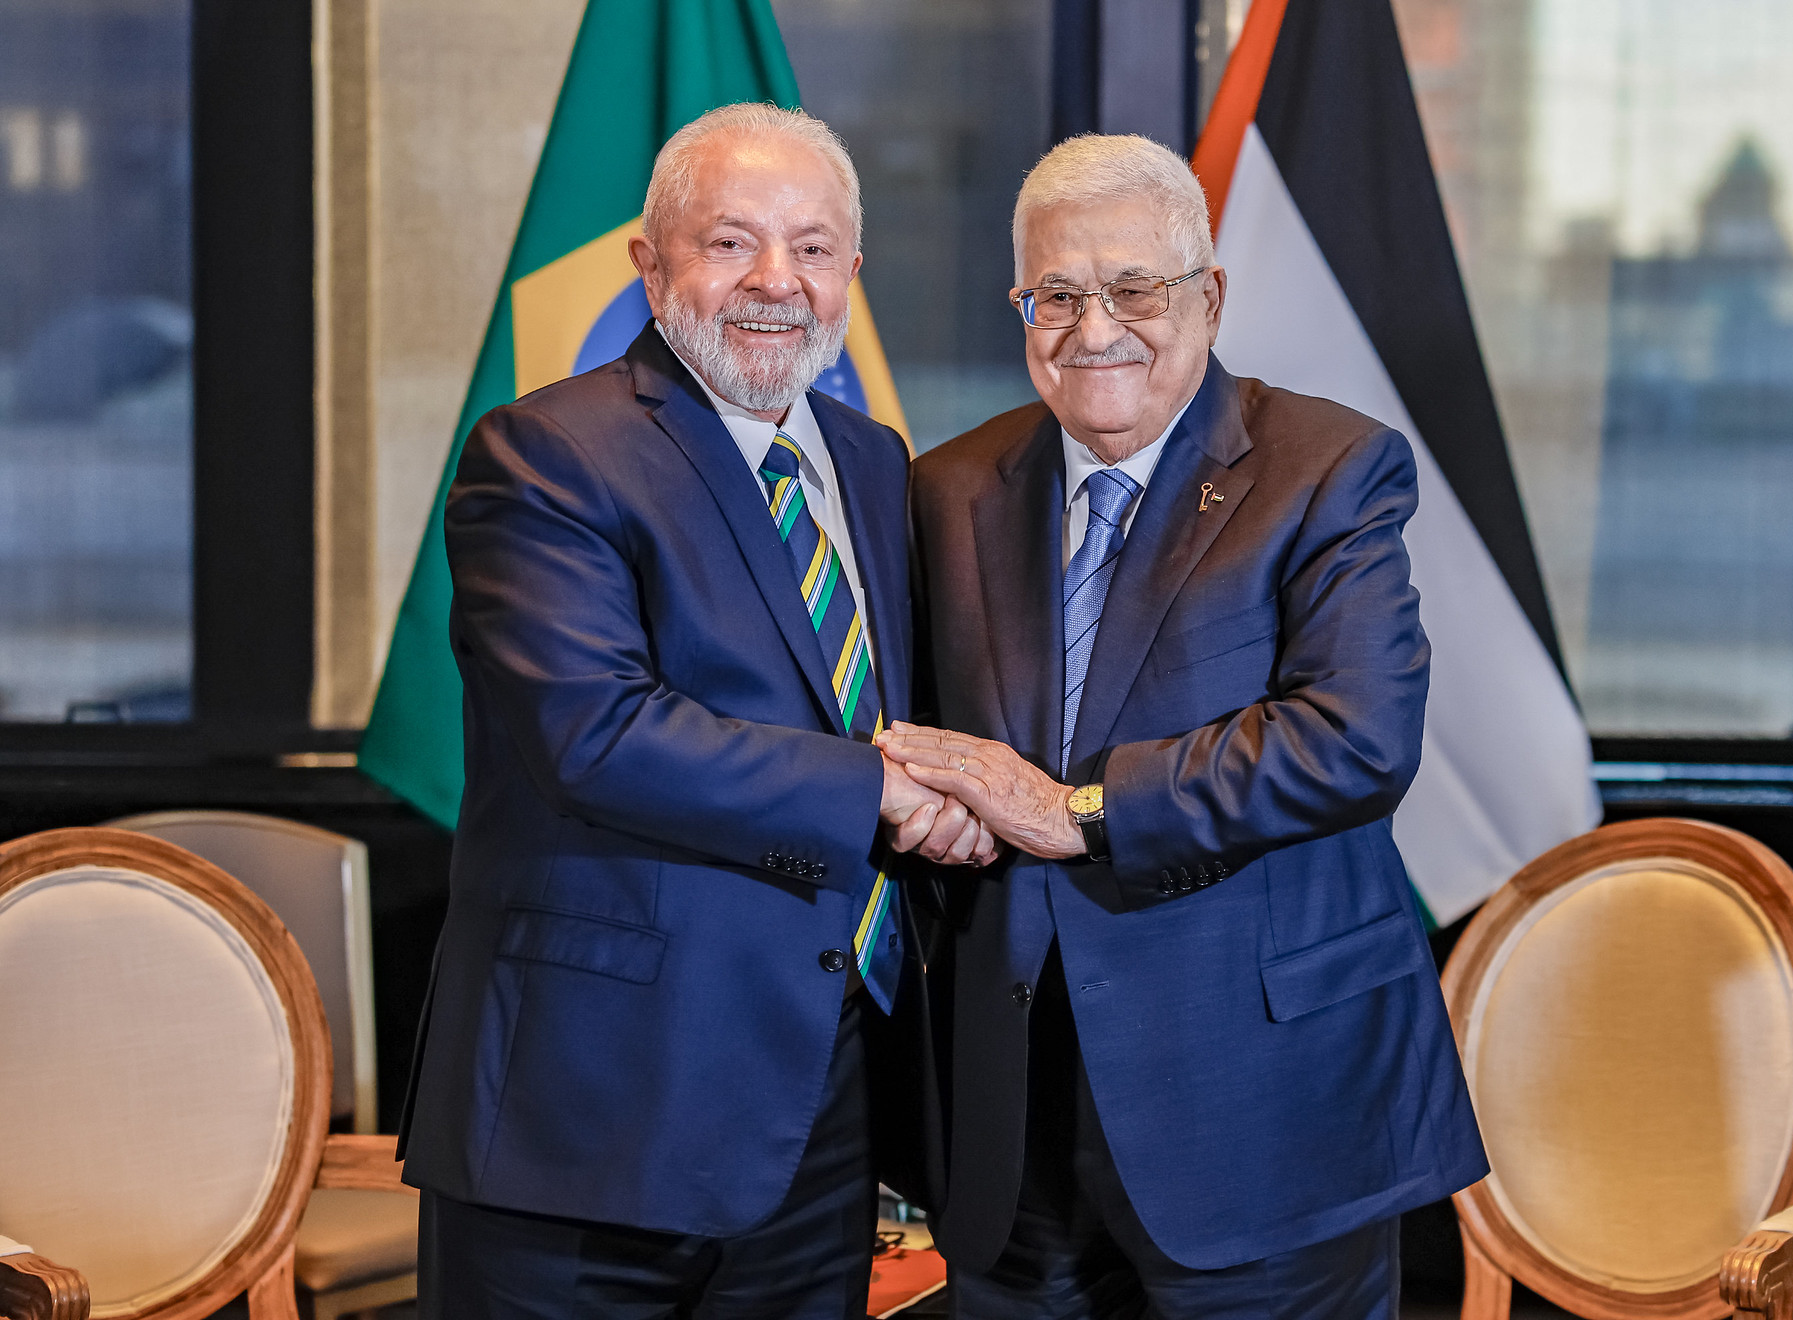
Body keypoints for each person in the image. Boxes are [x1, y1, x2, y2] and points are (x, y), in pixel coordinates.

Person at [880, 134, 1487, 1319]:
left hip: (1262, 1111)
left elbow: (1355, 738)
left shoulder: (1327, 466)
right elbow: (932, 737)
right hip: (1011, 1122)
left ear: (1207, 296)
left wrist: (1077, 810)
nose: (1092, 327)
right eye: (1055, 295)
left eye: (1132, 288)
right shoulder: (946, 487)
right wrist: (930, 805)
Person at [400, 103, 991, 1318]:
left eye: (812, 247)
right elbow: (595, 735)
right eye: (730, 242)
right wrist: (882, 791)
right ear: (650, 262)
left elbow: (885, 703)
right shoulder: (545, 453)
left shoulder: (872, 460)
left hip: (816, 1104)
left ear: (851, 271)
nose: (776, 279)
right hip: (588, 1111)